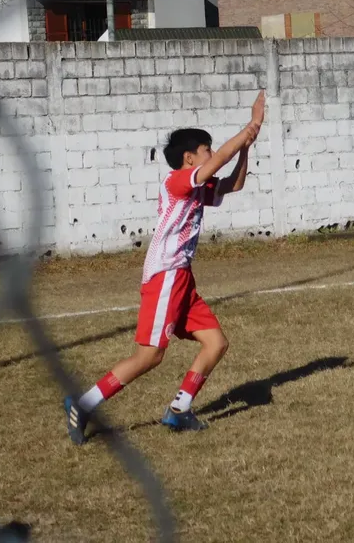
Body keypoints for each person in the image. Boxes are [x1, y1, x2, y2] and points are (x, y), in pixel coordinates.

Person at [63, 91, 266, 444]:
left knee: (216, 343)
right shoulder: (175, 181)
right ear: (189, 158)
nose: (210, 154)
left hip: (182, 277)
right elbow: (220, 160)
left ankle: (179, 409)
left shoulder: (197, 187)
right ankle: (83, 404)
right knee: (150, 355)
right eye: (205, 150)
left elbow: (234, 183)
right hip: (166, 276)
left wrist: (246, 148)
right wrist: (251, 126)